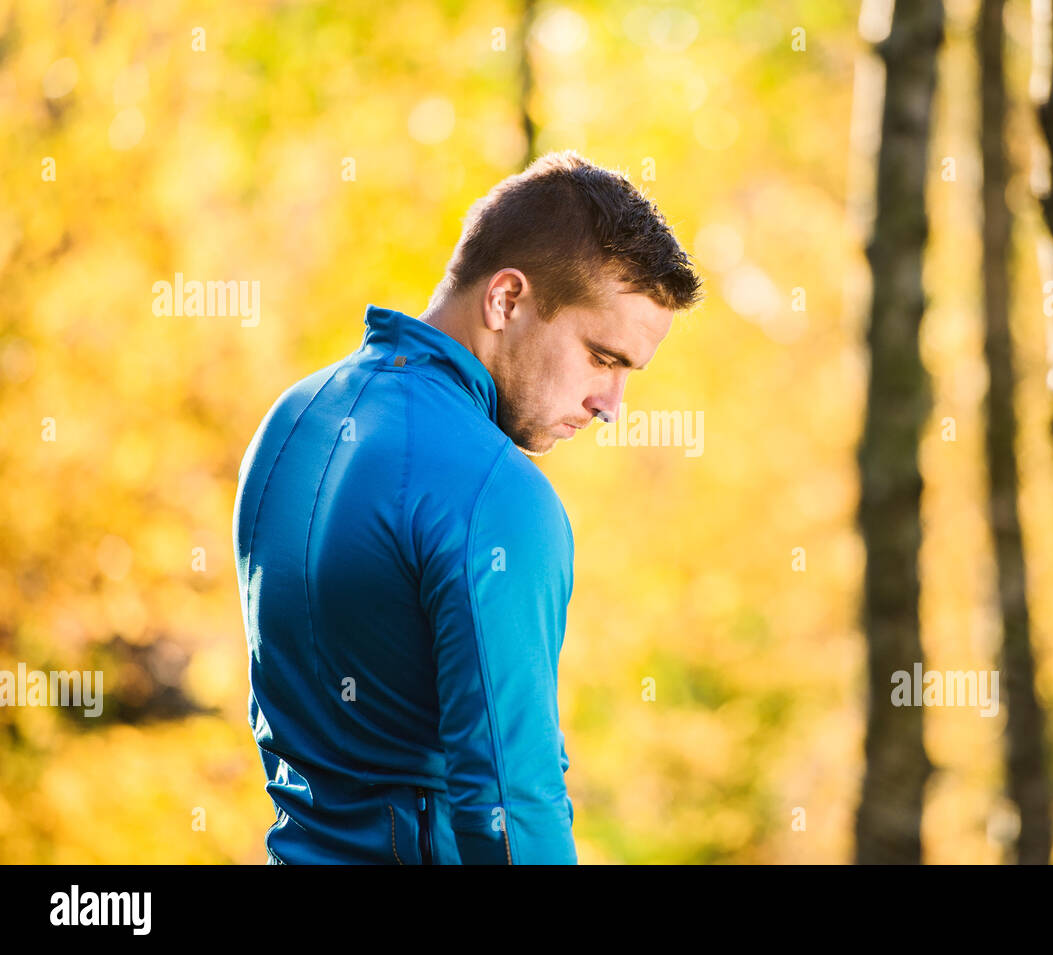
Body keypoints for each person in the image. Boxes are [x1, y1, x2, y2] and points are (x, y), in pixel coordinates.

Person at [232, 150, 703, 864]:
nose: (612, 405)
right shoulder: (498, 495)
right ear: (506, 299)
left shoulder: (291, 420)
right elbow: (511, 812)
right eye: (603, 357)